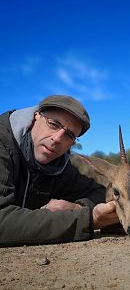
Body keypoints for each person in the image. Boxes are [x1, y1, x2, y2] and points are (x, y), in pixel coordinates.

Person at [0, 95, 119, 247]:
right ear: (36, 116)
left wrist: (77, 207)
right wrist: (88, 219)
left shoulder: (59, 166)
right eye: (54, 124)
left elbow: (101, 193)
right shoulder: (3, 142)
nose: (57, 139)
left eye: (69, 135)